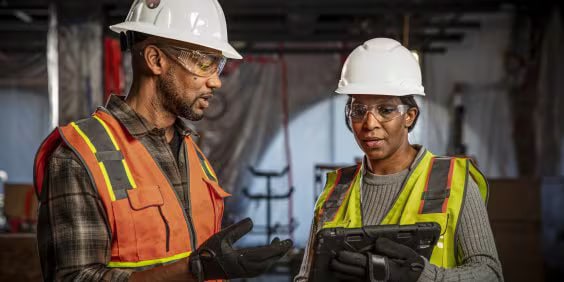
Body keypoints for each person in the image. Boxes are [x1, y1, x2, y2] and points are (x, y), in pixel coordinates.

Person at [33, 0, 292, 281]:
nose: (216, 81)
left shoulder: (191, 152)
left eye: (218, 64)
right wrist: (195, 270)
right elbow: (74, 278)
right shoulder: (79, 157)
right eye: (203, 61)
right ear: (156, 60)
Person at [294, 38, 503, 282]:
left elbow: (489, 274)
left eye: (385, 110)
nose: (370, 124)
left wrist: (421, 276)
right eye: (359, 110)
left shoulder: (452, 182)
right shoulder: (335, 192)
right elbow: (306, 277)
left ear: (409, 116)